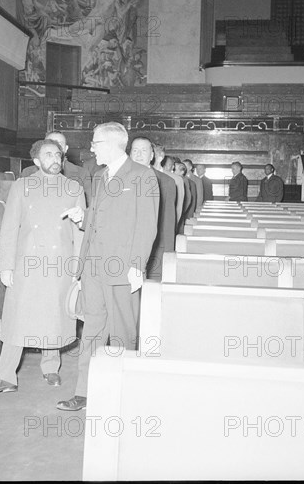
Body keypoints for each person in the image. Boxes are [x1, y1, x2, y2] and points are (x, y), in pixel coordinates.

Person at [57, 122, 159, 411]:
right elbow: (99, 217)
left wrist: (137, 265)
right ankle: (84, 391)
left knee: (123, 333)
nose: (91, 148)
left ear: (113, 144)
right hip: (93, 268)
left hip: (122, 268)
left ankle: (124, 394)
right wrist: (82, 217)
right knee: (91, 331)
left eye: (95, 143)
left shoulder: (142, 175)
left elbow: (146, 225)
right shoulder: (100, 176)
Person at [0, 139, 86, 394]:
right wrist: (5, 266)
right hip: (26, 263)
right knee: (17, 318)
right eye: (48, 155)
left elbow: (81, 232)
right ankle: (5, 375)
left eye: (58, 154)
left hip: (60, 262)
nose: (55, 159)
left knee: (53, 315)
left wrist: (77, 268)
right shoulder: (22, 186)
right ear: (36, 161)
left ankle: (50, 368)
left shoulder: (74, 188)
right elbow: (9, 227)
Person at [130, 137, 175, 279]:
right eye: (135, 150)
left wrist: (168, 255)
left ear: (152, 156)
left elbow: (168, 222)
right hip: (125, 250)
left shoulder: (166, 182)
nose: (138, 155)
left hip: (154, 250)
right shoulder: (120, 179)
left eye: (144, 151)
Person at [22, 131, 92, 205]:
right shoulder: (28, 173)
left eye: (60, 144)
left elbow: (88, 206)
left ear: (66, 148)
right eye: (49, 143)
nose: (55, 147)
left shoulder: (82, 174)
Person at [154, 145, 186, 232]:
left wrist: (171, 228)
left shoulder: (175, 180)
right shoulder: (141, 174)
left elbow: (178, 209)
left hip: (165, 228)